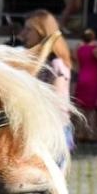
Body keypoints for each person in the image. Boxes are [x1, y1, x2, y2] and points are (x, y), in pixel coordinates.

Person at [20, 9, 75, 155]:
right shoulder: (37, 60)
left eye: (29, 30)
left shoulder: (55, 63)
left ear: (42, 32)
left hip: (51, 133)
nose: (23, 34)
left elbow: (57, 102)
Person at [74, 29, 97, 137]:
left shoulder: (79, 49)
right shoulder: (96, 49)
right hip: (93, 79)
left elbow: (76, 62)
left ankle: (80, 132)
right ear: (94, 38)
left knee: (81, 108)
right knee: (91, 109)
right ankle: (91, 133)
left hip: (82, 77)